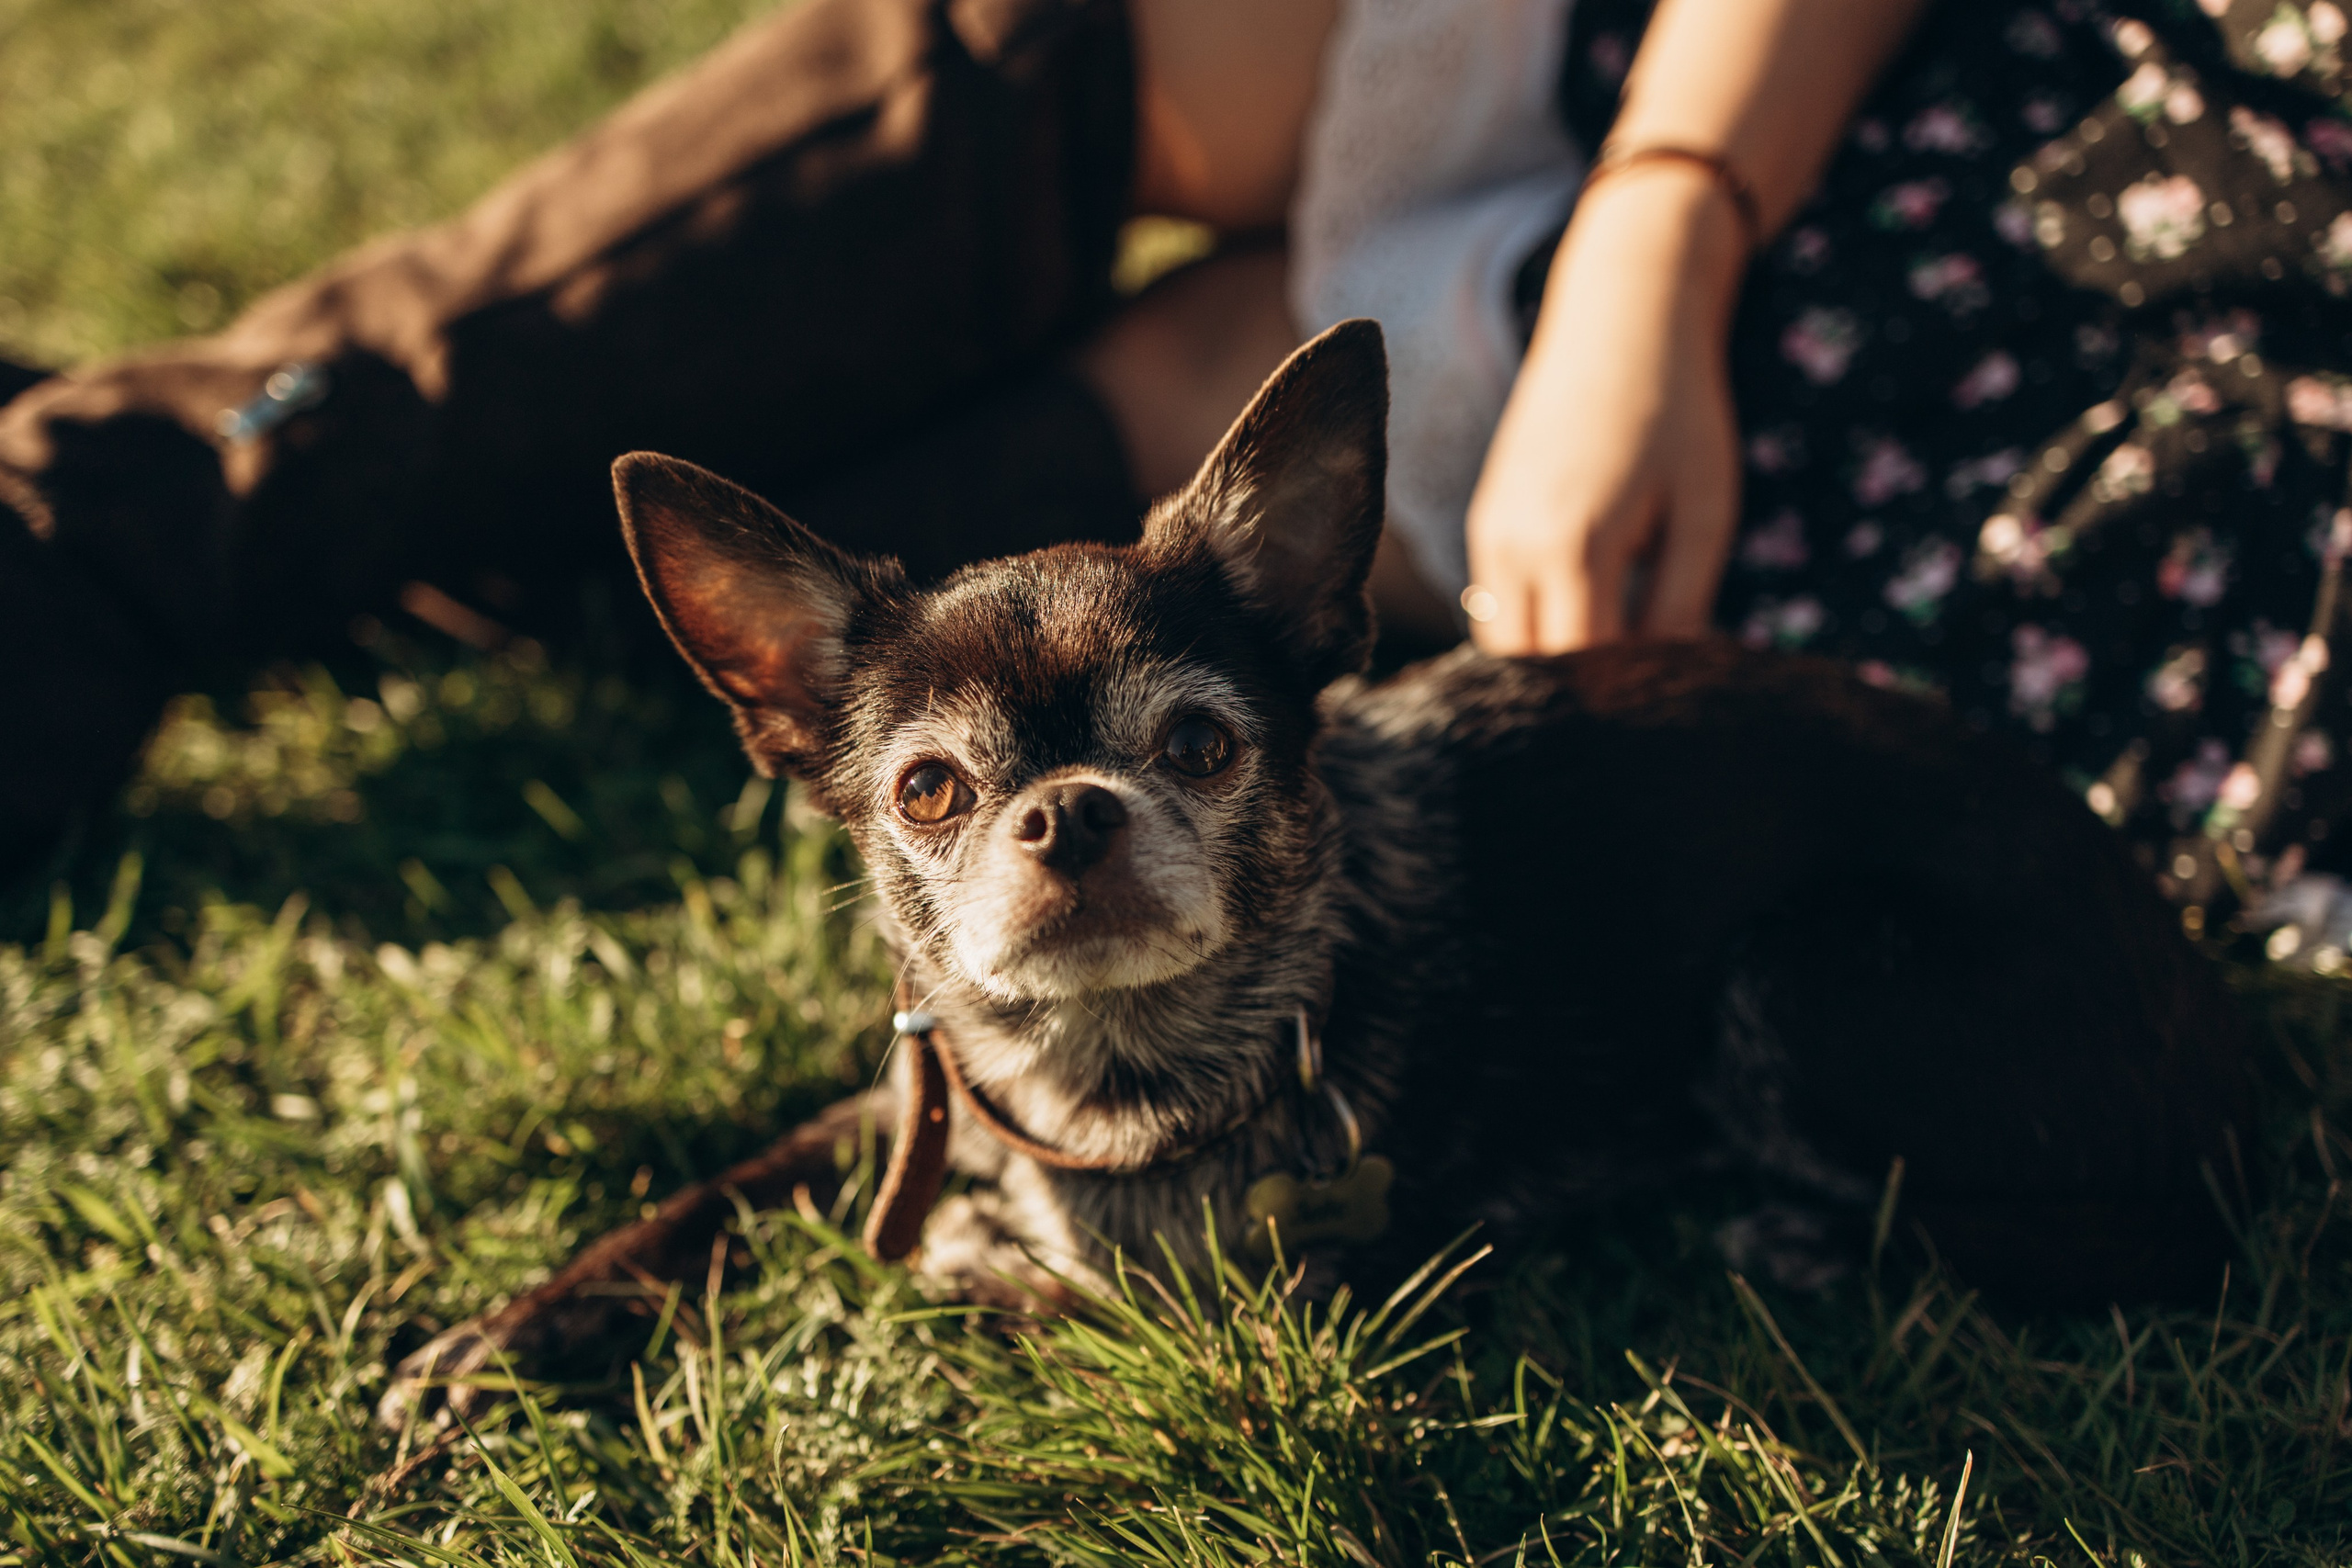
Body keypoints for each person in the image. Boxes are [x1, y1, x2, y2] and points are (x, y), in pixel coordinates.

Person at [6, 0, 2352, 947]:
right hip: (1944, 101)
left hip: (2038, 462)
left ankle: (196, 496)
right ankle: (83, 529)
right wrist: (1668, 211)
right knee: (1114, 47)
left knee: (907, 602)